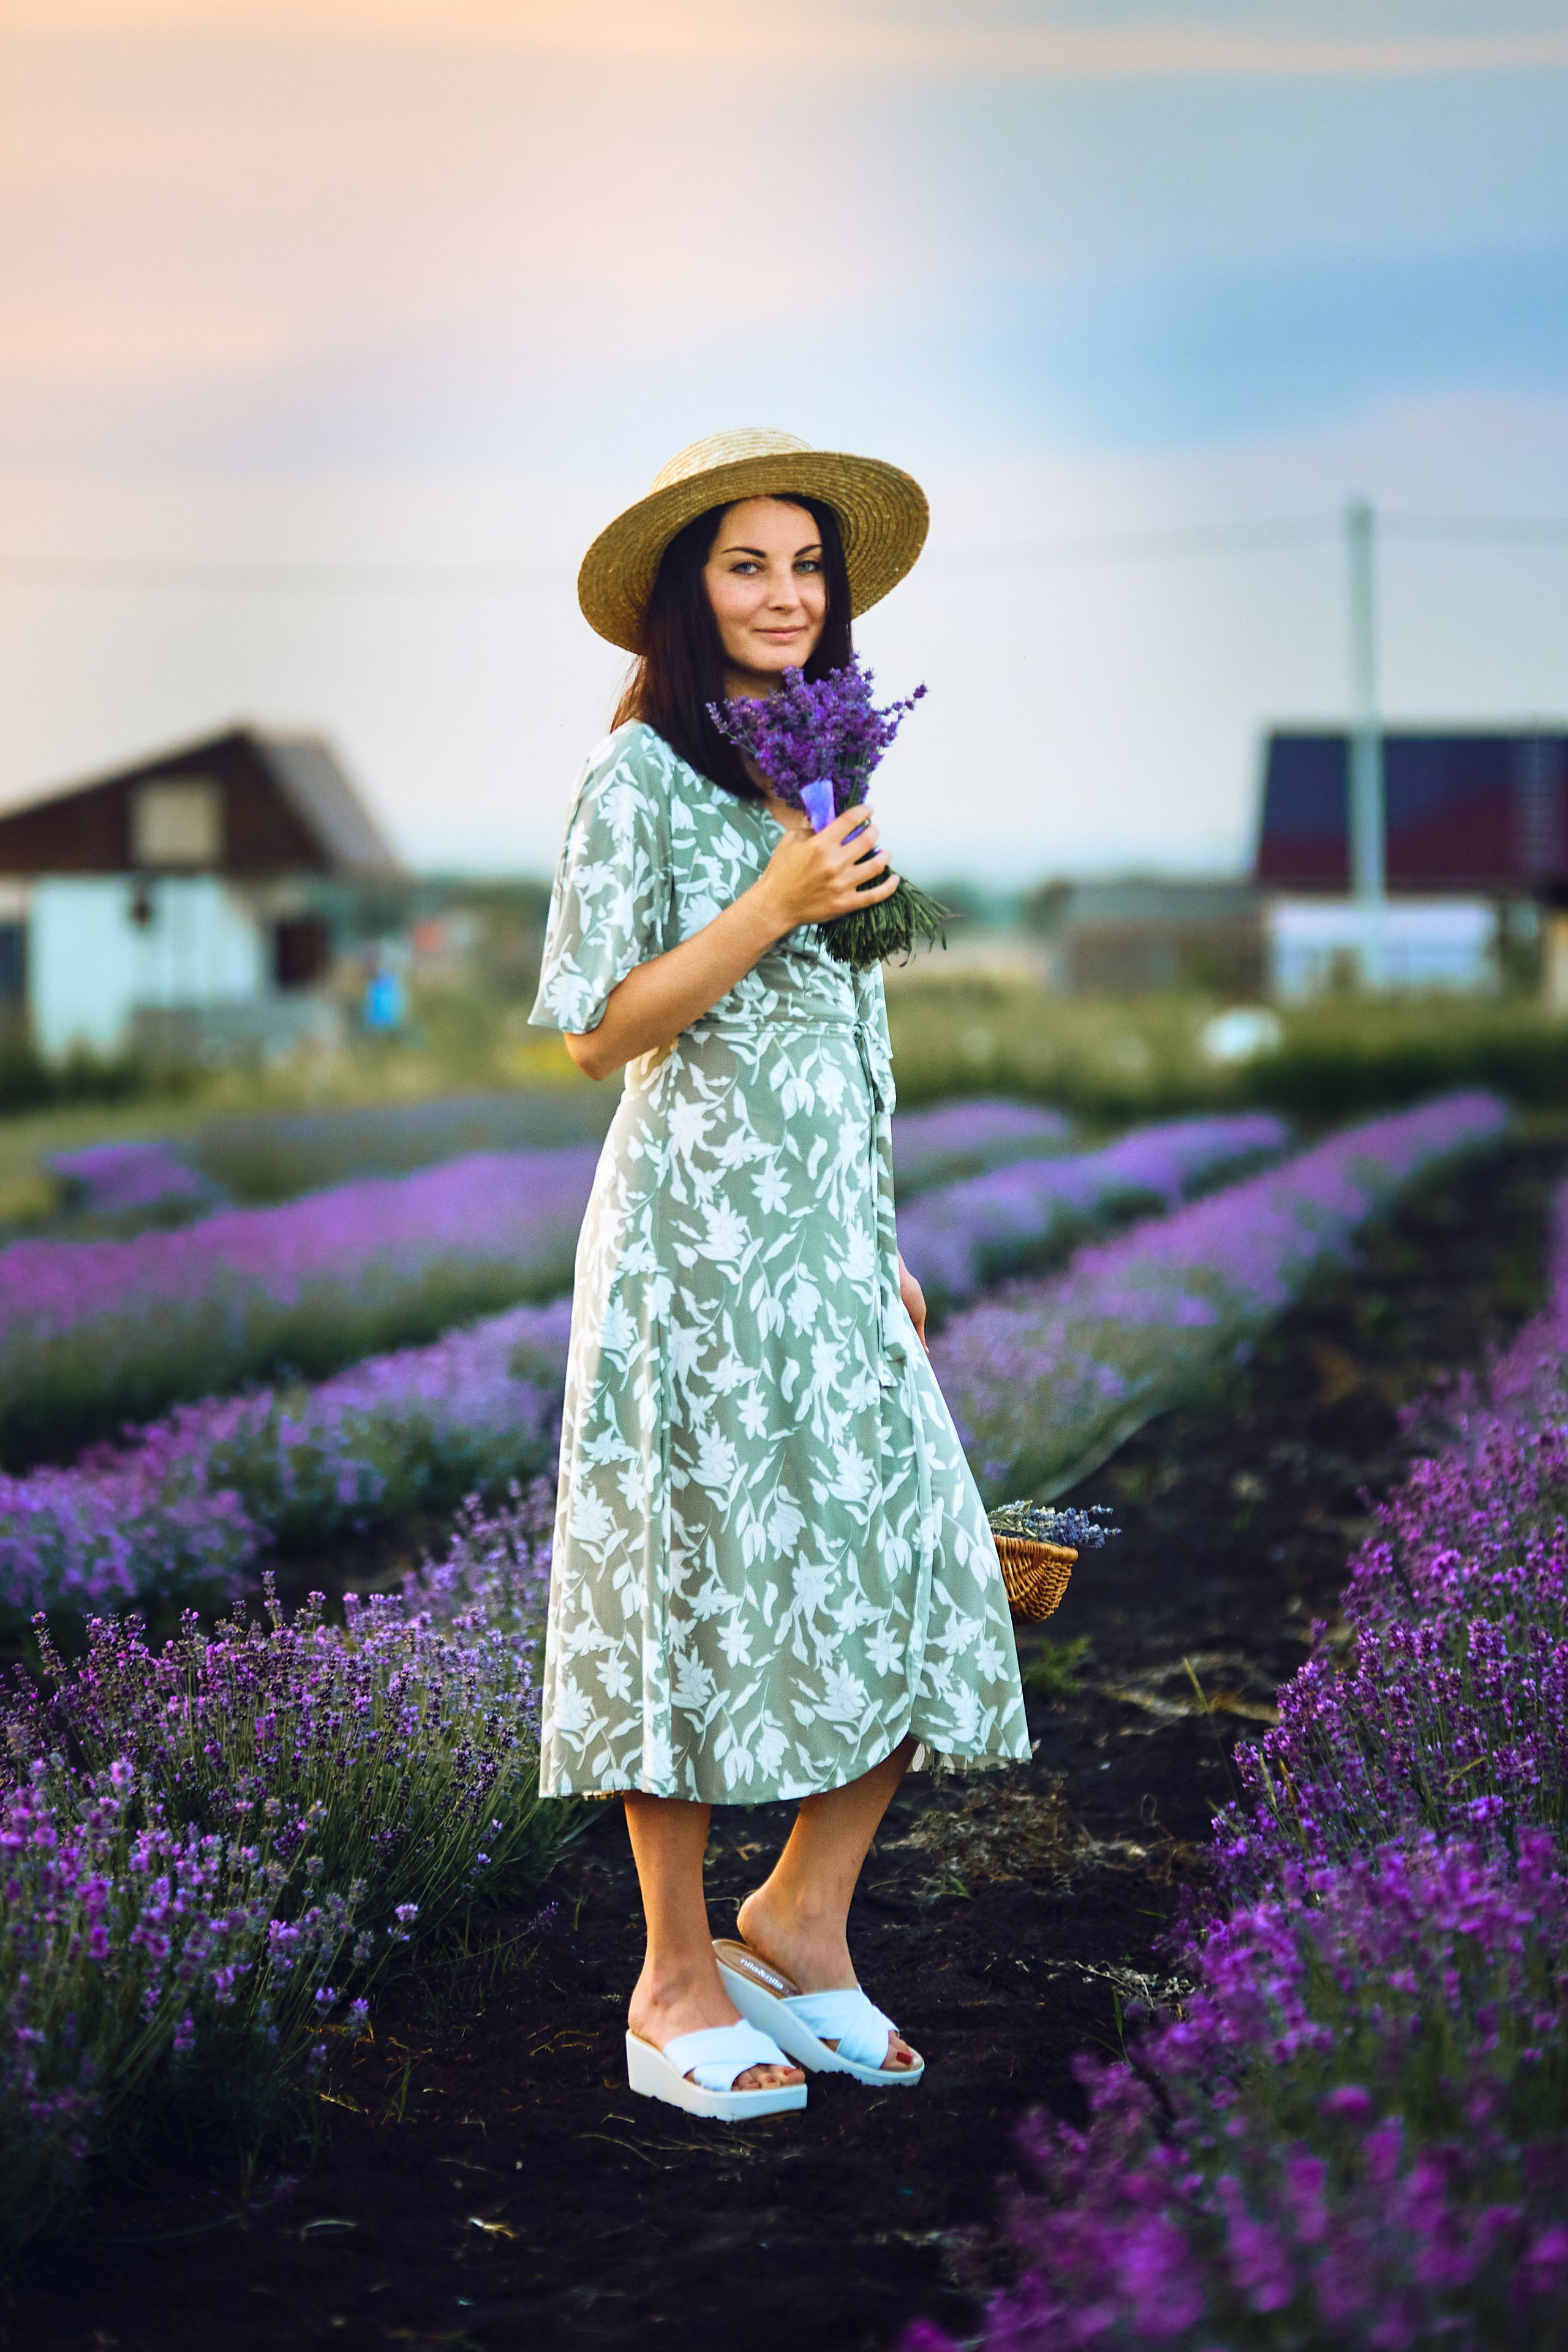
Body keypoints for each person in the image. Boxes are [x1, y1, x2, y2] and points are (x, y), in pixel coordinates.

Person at [529, 428, 1028, 2121]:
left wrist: (872, 1233)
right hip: (690, 1253)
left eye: (806, 566)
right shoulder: (640, 782)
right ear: (688, 592)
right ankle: (672, 1977)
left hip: (823, 1251)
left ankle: (801, 1918)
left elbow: (837, 1031)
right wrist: (771, 901)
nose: (785, 595)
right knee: (684, 1588)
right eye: (748, 565)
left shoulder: (819, 768)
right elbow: (601, 1032)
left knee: (933, 1562)